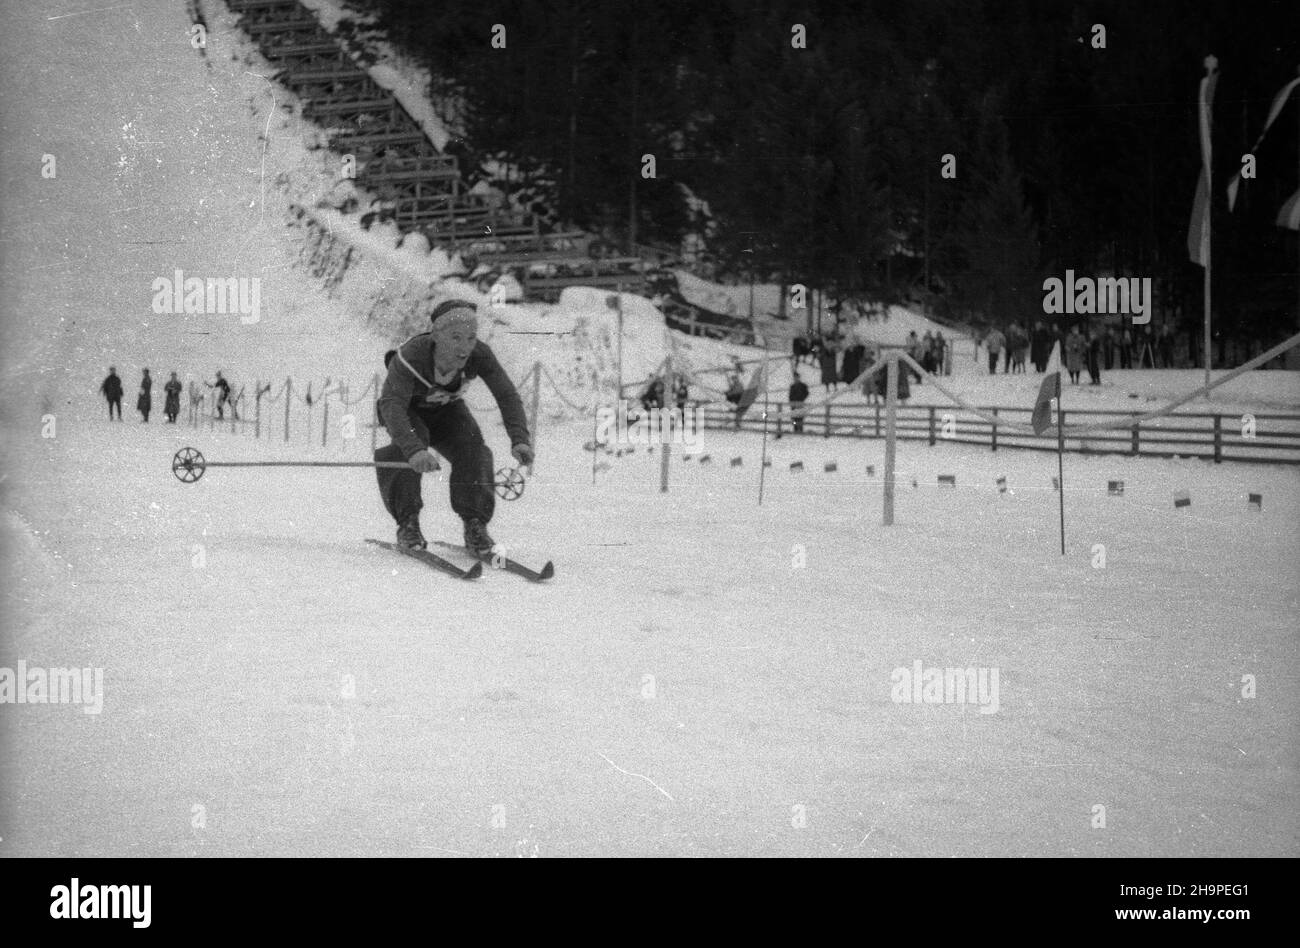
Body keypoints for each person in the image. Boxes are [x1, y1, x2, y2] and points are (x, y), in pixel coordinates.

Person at [374, 299, 533, 554]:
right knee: (406, 449)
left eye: (471, 338)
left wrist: (520, 438)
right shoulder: (410, 356)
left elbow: (506, 395)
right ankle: (408, 523)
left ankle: (475, 524)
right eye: (456, 337)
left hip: (447, 411)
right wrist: (415, 450)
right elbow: (392, 406)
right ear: (436, 335)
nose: (464, 347)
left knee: (474, 449)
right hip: (406, 412)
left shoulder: (479, 354)